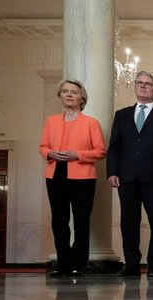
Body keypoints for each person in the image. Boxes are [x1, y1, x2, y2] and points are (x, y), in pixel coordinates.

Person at [107, 71, 153, 278]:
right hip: (127, 178)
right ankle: (131, 264)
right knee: (128, 222)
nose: (143, 86)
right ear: (135, 87)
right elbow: (114, 147)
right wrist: (112, 171)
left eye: (148, 84)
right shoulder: (122, 115)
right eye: (139, 82)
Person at [39, 79, 106, 277]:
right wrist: (50, 153)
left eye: (73, 92)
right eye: (65, 91)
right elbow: (42, 146)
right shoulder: (51, 121)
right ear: (60, 96)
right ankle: (63, 263)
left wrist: (78, 155)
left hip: (82, 176)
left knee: (81, 220)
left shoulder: (91, 123)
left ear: (82, 98)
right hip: (55, 173)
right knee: (59, 221)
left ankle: (78, 264)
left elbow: (101, 151)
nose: (69, 94)